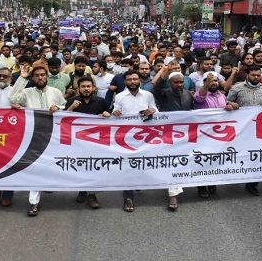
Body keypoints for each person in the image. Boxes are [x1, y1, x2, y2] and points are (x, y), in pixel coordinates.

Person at [9, 65, 66, 217]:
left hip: (53, 134)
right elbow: (13, 99)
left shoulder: (56, 92)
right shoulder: (27, 92)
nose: (40, 78)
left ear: (47, 77)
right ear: (33, 78)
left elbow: (65, 107)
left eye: (42, 75)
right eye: (37, 76)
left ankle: (49, 183)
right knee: (35, 166)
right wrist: (22, 78)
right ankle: (34, 202)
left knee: (53, 163)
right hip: (34, 135)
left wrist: (57, 107)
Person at [111, 70, 157, 212]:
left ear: (139, 81)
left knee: (143, 163)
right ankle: (128, 197)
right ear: (125, 82)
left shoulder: (148, 95)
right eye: (129, 79)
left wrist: (153, 110)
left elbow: (155, 108)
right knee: (127, 167)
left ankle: (139, 183)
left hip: (145, 137)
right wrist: (115, 112)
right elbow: (115, 111)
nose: (132, 82)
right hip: (126, 137)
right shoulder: (119, 96)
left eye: (135, 79)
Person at [225, 66, 262, 196]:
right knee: (239, 153)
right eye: (253, 75)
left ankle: (252, 184)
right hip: (241, 128)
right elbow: (226, 101)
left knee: (257, 155)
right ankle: (234, 175)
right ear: (247, 75)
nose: (256, 78)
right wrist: (230, 104)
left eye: (258, 75)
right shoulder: (237, 87)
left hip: (258, 129)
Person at [151, 64, 192, 211]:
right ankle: (173, 195)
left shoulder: (188, 94)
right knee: (172, 162)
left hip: (187, 134)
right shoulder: (164, 94)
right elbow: (155, 88)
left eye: (181, 82)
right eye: (176, 82)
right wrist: (165, 71)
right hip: (167, 134)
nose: (180, 85)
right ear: (170, 83)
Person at [65, 76, 110, 209]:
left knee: (93, 167)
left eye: (88, 86)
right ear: (78, 89)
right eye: (83, 87)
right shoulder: (72, 101)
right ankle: (82, 190)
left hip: (95, 141)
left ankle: (92, 194)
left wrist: (107, 114)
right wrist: (72, 107)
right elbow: (63, 118)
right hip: (77, 141)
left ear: (93, 88)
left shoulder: (101, 101)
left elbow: (110, 116)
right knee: (80, 167)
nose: (86, 89)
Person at [192, 70, 227, 199]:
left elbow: (225, 107)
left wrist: (231, 105)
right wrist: (206, 84)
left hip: (219, 134)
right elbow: (200, 97)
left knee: (215, 159)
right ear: (205, 82)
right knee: (202, 160)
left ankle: (212, 181)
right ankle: (201, 187)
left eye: (215, 80)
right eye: (210, 80)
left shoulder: (222, 95)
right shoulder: (200, 94)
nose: (213, 83)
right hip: (203, 134)